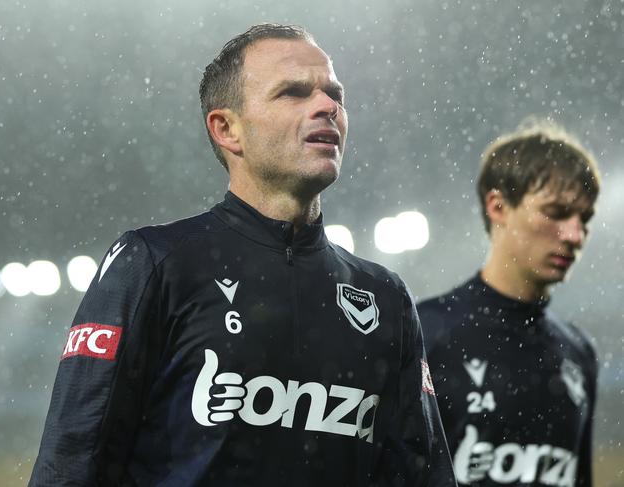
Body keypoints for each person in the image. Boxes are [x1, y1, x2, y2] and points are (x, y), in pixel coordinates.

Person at [29, 23, 455, 486]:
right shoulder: (155, 262)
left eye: (335, 94)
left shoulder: (385, 296)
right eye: (293, 92)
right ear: (227, 129)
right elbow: (72, 462)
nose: (327, 106)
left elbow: (422, 475)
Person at [417, 121, 600, 487]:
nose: (575, 234)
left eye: (585, 218)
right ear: (498, 206)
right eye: (556, 212)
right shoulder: (424, 332)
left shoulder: (580, 353)